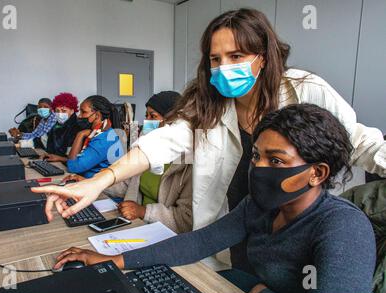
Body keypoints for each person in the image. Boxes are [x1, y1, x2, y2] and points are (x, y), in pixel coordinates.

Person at [32, 9, 385, 238]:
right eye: (215, 59)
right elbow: (162, 142)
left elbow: (359, 140)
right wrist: (100, 181)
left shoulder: (304, 90)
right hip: (227, 228)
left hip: (290, 232)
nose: (223, 67)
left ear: (263, 56)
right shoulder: (208, 104)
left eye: (236, 56)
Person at [51, 104, 377, 293]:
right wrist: (113, 261)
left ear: (317, 173)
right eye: (256, 157)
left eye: (275, 161)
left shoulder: (343, 227)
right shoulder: (260, 205)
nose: (258, 169)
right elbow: (201, 241)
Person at [98, 91, 193, 233]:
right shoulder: (147, 150)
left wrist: (143, 211)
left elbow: (186, 219)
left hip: (163, 233)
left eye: (153, 116)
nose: (147, 121)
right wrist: (98, 182)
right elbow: (127, 184)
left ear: (172, 122)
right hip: (136, 223)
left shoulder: (187, 163)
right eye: (146, 115)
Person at [46, 95, 124, 178]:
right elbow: (84, 159)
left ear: (97, 115)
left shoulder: (103, 140)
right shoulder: (99, 132)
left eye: (83, 112)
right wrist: (60, 158)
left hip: (98, 187)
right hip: (88, 179)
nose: (79, 116)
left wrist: (80, 135)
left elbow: (73, 167)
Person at [44, 92, 82, 157]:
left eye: (64, 111)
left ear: (72, 111)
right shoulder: (56, 125)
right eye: (57, 111)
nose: (60, 113)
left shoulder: (77, 127)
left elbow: (73, 156)